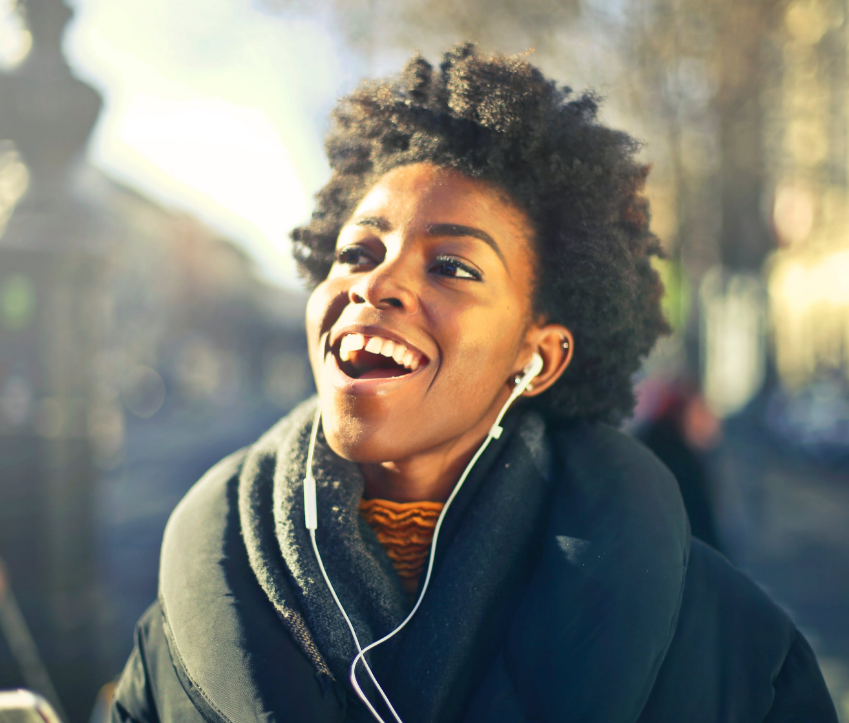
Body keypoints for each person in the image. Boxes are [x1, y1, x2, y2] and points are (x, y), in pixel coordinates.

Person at [110, 45, 838, 723]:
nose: (376, 283)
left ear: (539, 357)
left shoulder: (740, 656)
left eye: (452, 265)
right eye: (358, 250)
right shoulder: (171, 634)